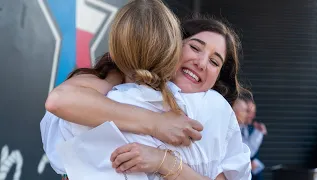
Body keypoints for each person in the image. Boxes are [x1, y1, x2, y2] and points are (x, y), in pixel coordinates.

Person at [41, 2, 251, 179]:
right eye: (195, 48)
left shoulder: (214, 112)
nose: (202, 63)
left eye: (215, 62)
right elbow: (59, 102)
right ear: (172, 46)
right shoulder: (113, 94)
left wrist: (165, 163)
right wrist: (155, 123)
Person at [233, 93, 267, 180]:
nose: (250, 115)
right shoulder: (229, 130)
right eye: (247, 111)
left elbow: (253, 155)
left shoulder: (252, 129)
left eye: (252, 112)